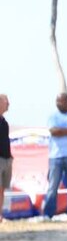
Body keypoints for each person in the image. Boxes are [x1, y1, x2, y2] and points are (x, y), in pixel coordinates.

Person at [41, 92, 67, 220]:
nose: (59, 103)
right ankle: (48, 214)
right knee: (53, 185)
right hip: (56, 156)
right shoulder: (52, 116)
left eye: (61, 101)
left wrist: (61, 131)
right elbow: (54, 132)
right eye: (57, 101)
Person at [0, 94, 11, 223]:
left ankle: (0, 215)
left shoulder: (4, 122)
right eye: (6, 102)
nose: (9, 104)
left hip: (6, 159)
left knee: (2, 189)